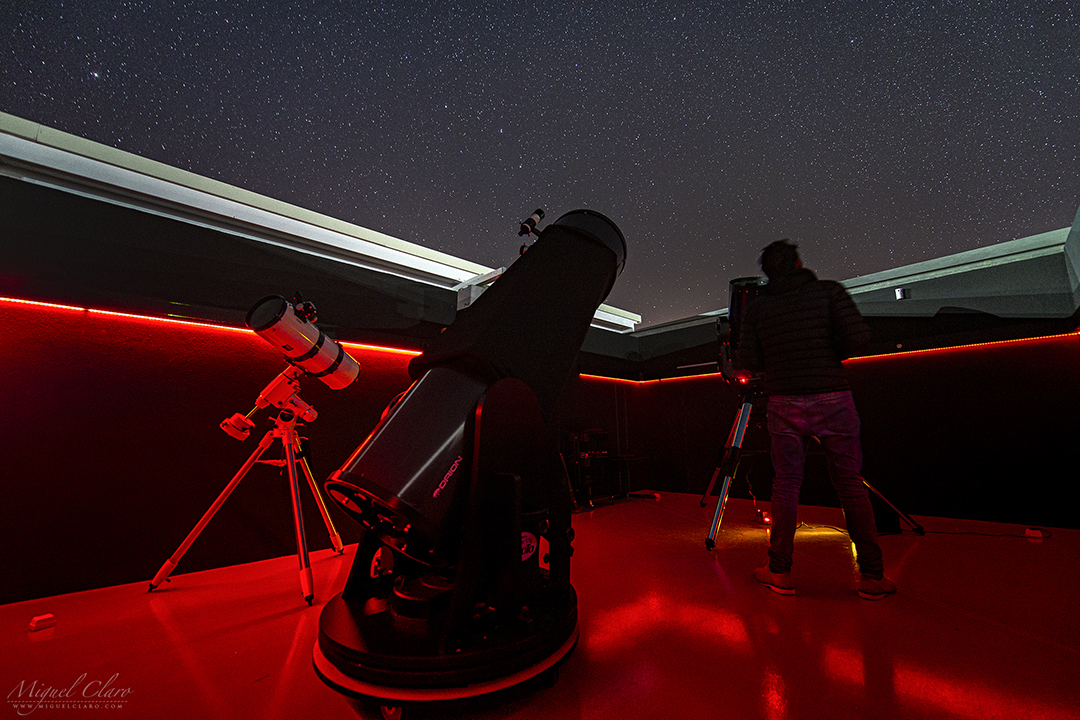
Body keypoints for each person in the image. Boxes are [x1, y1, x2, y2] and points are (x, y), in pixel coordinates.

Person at [737, 239, 896, 600]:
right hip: (832, 395)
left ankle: (779, 572)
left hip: (784, 401)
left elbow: (749, 359)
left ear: (767, 272)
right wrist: (823, 356)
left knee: (786, 484)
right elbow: (858, 338)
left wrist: (783, 361)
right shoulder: (828, 292)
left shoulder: (758, 308)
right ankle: (872, 576)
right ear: (797, 264)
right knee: (850, 484)